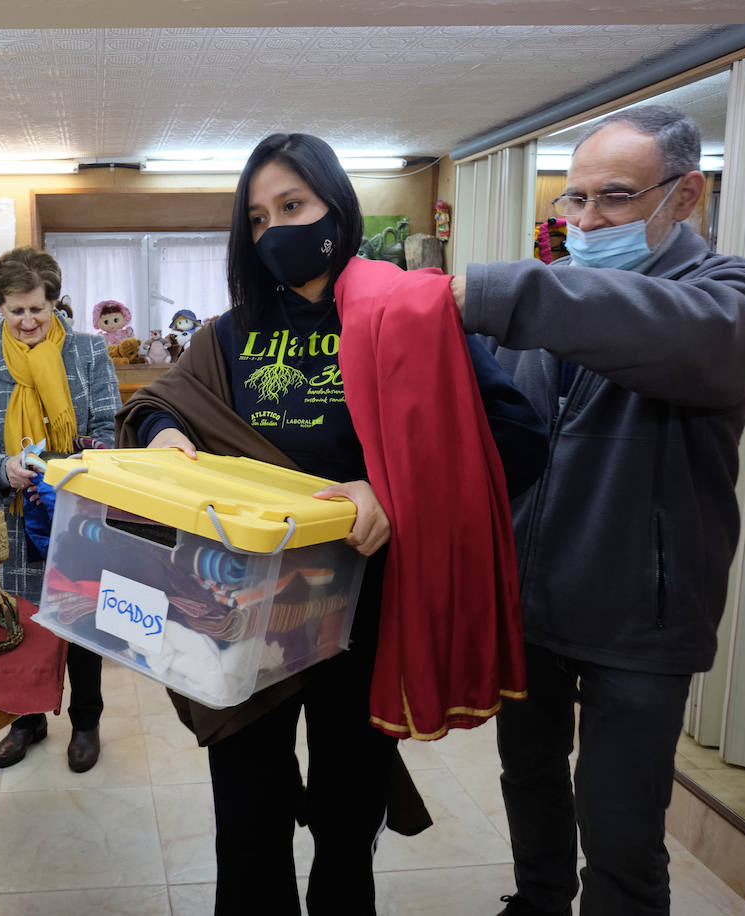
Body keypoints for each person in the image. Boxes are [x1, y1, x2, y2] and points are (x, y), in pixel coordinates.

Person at [115, 132, 548, 915]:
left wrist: (392, 490)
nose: (274, 229)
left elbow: (514, 442)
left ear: (335, 208)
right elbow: (155, 404)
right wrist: (168, 438)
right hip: (249, 613)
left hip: (368, 616)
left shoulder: (411, 312)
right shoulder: (233, 331)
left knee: (348, 820)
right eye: (256, 217)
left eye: (292, 206)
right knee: (247, 822)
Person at [449, 105, 745, 916]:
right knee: (528, 780)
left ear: (687, 196)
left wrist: (493, 288)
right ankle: (537, 901)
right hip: (532, 605)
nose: (588, 221)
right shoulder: (552, 303)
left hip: (641, 620)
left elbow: (674, 337)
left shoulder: (732, 297)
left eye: (615, 199)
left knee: (621, 825)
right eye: (574, 201)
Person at [0, 246, 121, 773]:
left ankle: (86, 721)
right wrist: (3, 469)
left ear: (55, 303)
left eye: (38, 310)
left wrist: (66, 468)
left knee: (81, 622)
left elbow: (114, 434)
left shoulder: (89, 353)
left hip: (78, 516)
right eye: (16, 311)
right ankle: (26, 719)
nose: (28, 321)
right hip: (8, 525)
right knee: (20, 625)